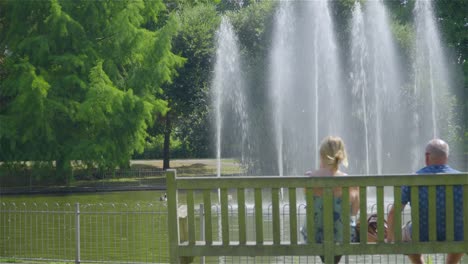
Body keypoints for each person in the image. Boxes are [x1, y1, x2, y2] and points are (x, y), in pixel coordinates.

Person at [386, 138, 464, 264]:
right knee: (462, 231)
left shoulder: (412, 180)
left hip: (420, 234)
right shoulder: (462, 180)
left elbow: (393, 213)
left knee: (405, 233)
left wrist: (389, 238)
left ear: (427, 157)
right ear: (446, 157)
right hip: (457, 235)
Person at [301, 136, 360, 264]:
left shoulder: (308, 178)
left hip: (314, 236)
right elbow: (355, 212)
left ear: (321, 156)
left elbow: (309, 202)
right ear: (341, 156)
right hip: (342, 236)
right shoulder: (350, 182)